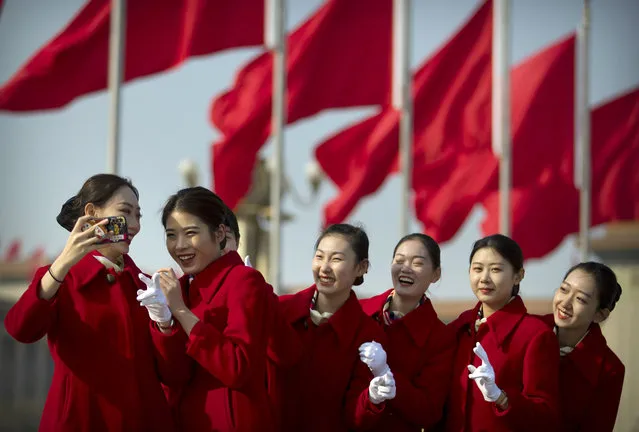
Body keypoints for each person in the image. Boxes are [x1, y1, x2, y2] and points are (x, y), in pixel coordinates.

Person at [4, 174, 175, 432]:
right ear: (92, 213)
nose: (134, 225)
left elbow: (173, 372)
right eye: (124, 212)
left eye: (138, 216)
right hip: (80, 420)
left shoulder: (147, 287)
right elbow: (21, 329)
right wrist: (62, 264)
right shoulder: (60, 278)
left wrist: (166, 323)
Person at [143, 186, 275, 431]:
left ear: (219, 232)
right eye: (171, 235)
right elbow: (174, 376)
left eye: (191, 233)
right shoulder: (177, 289)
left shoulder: (244, 281)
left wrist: (181, 312)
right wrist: (163, 323)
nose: (180, 245)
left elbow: (238, 368)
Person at [275, 223, 396, 431]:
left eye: (336, 259)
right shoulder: (281, 311)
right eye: (320, 256)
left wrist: (371, 399)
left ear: (361, 267)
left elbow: (355, 417)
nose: (324, 267)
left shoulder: (367, 334)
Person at [445, 234, 560, 431]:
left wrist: (501, 398)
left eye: (496, 269)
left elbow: (546, 415)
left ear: (518, 275)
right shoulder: (459, 327)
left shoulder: (535, 334)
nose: (484, 278)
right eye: (477, 269)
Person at [359, 233, 456, 431]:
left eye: (417, 263)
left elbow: (429, 410)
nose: (405, 268)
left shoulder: (440, 337)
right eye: (399, 260)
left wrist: (386, 373)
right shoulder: (358, 312)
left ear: (436, 274)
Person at [543, 261, 625, 431]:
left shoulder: (610, 369)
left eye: (580, 299)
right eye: (564, 289)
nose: (565, 303)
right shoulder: (527, 329)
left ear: (599, 315)